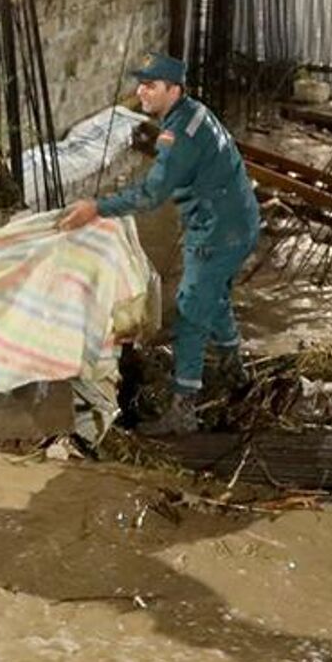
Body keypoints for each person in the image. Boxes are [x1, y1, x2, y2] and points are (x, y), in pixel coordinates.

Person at [59, 51, 262, 434]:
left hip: (218, 229)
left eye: (150, 86)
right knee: (213, 295)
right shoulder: (194, 113)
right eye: (141, 84)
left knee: (189, 310)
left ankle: (183, 410)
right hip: (239, 220)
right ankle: (236, 375)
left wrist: (97, 208)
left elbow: (151, 195)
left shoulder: (177, 135)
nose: (141, 92)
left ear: (174, 89)